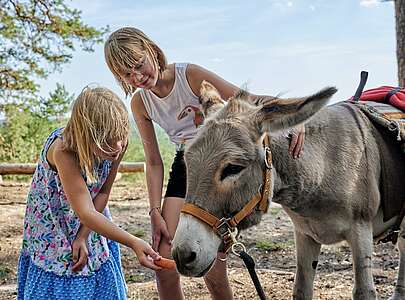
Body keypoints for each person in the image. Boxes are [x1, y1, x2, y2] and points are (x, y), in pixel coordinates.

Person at [104, 27, 305, 300]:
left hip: (216, 161)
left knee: (211, 266)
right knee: (162, 254)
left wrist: (294, 113)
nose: (137, 77)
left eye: (139, 65)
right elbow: (153, 161)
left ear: (151, 49)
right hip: (186, 164)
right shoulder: (141, 103)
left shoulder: (189, 75)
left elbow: (245, 100)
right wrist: (154, 211)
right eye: (127, 74)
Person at [17, 86, 161, 300]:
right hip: (55, 225)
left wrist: (83, 235)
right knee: (66, 269)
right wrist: (133, 241)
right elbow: (85, 212)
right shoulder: (63, 151)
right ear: (86, 136)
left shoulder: (117, 145)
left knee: (96, 266)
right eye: (108, 142)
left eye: (120, 137)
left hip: (93, 215)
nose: (118, 147)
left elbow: (102, 193)